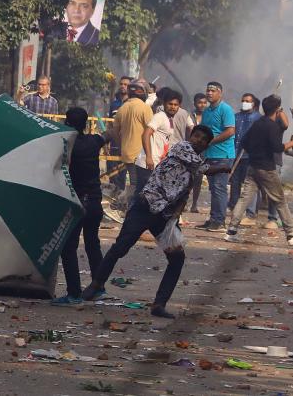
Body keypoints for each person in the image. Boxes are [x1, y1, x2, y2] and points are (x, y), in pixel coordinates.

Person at [81, 126, 226, 319]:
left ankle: (159, 304)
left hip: (163, 215)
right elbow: (204, 169)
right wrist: (224, 167)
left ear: (206, 145)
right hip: (145, 206)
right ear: (190, 137)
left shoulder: (193, 164)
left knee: (176, 258)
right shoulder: (181, 148)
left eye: (203, 139)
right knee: (120, 248)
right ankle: (96, 284)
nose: (198, 140)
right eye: (196, 136)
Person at [51, 107, 108, 305]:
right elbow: (109, 135)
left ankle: (74, 293)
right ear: (85, 123)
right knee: (92, 243)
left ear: (67, 122)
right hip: (94, 201)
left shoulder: (65, 144)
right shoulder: (94, 141)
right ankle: (98, 287)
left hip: (75, 202)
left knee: (69, 247)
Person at [226, 95, 293, 245]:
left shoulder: (257, 123)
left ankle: (231, 231)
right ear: (277, 109)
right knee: (280, 200)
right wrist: (291, 143)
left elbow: (244, 141)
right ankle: (290, 234)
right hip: (267, 169)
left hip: (253, 166)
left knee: (244, 199)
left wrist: (255, 153)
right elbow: (277, 148)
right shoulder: (272, 126)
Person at [196, 81, 236, 232]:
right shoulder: (206, 111)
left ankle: (219, 221)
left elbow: (230, 131)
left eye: (213, 91)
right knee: (214, 188)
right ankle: (213, 218)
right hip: (210, 154)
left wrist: (211, 141)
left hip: (223, 155)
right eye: (208, 90)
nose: (209, 93)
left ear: (220, 93)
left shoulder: (226, 109)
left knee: (220, 188)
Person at [136, 90, 192, 194]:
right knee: (143, 195)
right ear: (164, 103)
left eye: (176, 105)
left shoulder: (169, 118)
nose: (173, 107)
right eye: (170, 104)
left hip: (156, 162)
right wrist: (148, 157)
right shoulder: (160, 116)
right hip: (147, 163)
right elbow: (146, 134)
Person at [109, 82, 153, 208]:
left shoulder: (122, 108)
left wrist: (122, 144)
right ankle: (127, 206)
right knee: (139, 183)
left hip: (127, 152)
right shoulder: (144, 108)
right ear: (142, 93)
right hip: (141, 153)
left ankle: (124, 204)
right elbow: (151, 131)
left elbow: (115, 131)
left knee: (134, 181)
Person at [227, 93, 262, 226]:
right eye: (243, 100)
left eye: (247, 101)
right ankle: (235, 209)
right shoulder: (236, 117)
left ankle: (250, 214)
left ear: (253, 104)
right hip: (236, 154)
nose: (244, 103)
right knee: (235, 183)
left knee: (250, 185)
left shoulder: (258, 118)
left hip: (250, 156)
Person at [189, 93, 210, 213]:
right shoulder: (190, 115)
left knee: (198, 178)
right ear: (195, 103)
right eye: (199, 102)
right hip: (190, 150)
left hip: (203, 151)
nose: (202, 105)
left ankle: (194, 204)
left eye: (204, 102)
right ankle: (184, 202)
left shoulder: (209, 115)